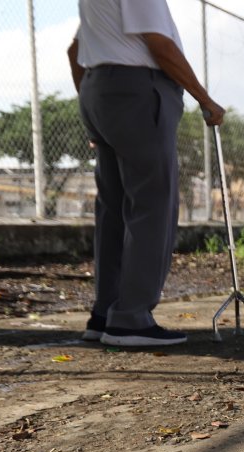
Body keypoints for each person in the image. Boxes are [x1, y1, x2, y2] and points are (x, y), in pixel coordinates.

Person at [68, 0, 225, 347]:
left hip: (98, 89)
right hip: (138, 89)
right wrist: (205, 99)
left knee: (113, 210)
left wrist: (94, 111)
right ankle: (131, 319)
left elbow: (73, 50)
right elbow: (160, 46)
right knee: (152, 205)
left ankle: (105, 314)